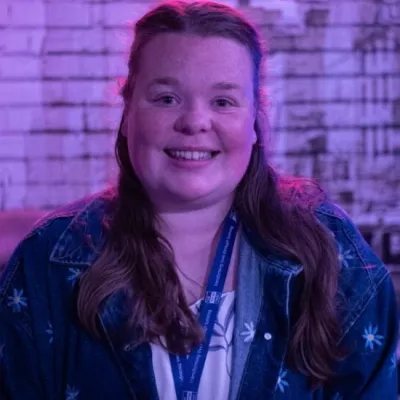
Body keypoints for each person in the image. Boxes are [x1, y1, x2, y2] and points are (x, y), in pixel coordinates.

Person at [0, 1, 398, 399]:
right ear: (127, 115)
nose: (194, 122)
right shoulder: (47, 260)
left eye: (223, 101)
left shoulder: (330, 248)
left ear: (255, 122)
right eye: (166, 98)